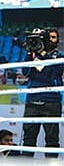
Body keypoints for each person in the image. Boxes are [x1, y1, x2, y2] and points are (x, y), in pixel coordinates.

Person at [19, 27, 62, 157]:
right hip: (32, 100)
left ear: (58, 40)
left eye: (54, 37)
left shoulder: (59, 56)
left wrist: (43, 53)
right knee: (28, 139)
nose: (51, 40)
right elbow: (25, 72)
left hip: (51, 101)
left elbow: (56, 71)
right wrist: (30, 53)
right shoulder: (33, 54)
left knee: (52, 139)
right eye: (49, 37)